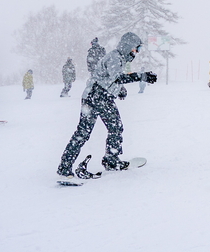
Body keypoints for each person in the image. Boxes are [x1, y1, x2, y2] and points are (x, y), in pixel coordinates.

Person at [58, 32, 157, 177]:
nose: (136, 53)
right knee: (84, 133)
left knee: (115, 127)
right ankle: (65, 166)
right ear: (128, 46)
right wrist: (142, 76)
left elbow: (108, 78)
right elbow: (116, 77)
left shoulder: (119, 59)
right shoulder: (115, 57)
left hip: (102, 97)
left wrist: (119, 89)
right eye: (136, 49)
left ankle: (111, 160)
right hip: (95, 97)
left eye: (139, 50)